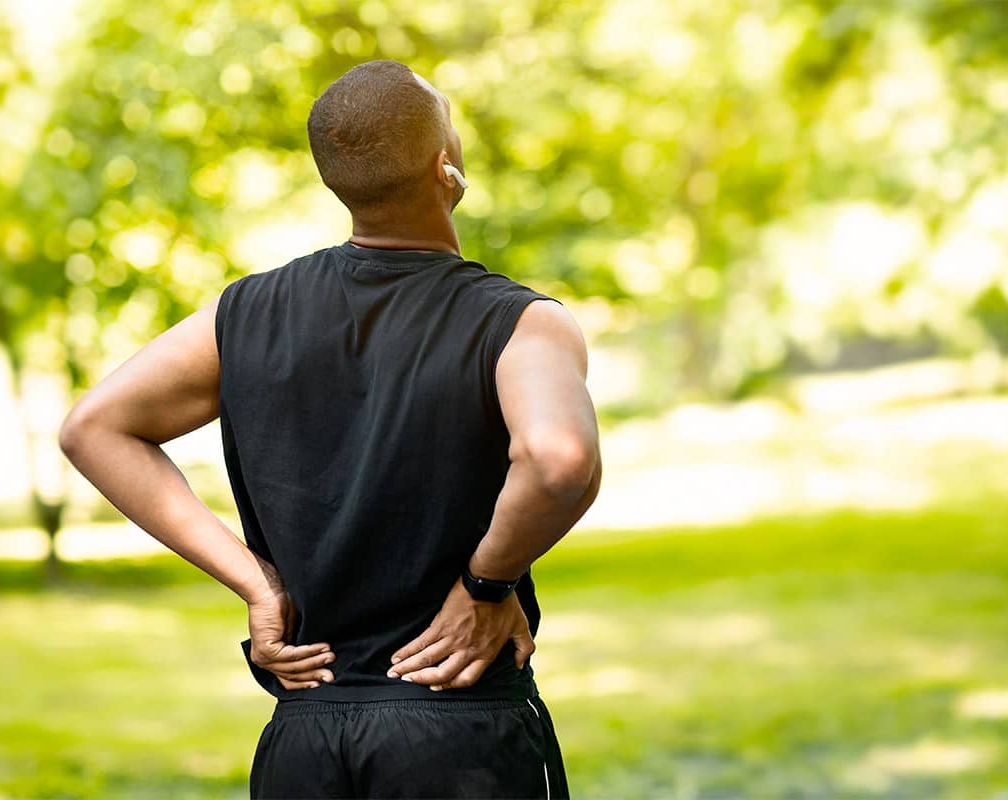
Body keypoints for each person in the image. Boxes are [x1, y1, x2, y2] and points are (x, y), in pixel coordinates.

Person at [58, 59, 602, 799]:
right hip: (457, 731)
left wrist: (256, 584)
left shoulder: (243, 315)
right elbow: (560, 457)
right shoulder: (518, 323)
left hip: (303, 741)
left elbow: (93, 428)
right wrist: (486, 581)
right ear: (447, 170)